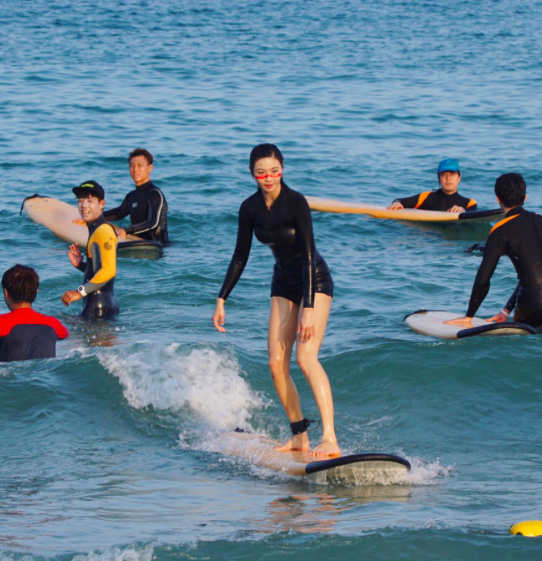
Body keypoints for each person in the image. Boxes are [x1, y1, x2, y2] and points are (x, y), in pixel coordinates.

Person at [212, 143, 340, 458]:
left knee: (305, 359)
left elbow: (309, 254)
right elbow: (240, 256)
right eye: (261, 173)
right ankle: (299, 434)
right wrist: (221, 298)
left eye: (273, 171)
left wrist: (308, 307)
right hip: (283, 281)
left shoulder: (296, 203)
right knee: (275, 364)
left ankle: (330, 439)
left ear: (281, 169)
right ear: (252, 174)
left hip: (315, 280)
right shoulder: (249, 208)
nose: (268, 178)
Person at [447, 173, 542, 328]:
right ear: (525, 198)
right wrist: (506, 311)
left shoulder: (500, 229)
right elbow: (534, 272)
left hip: (531, 308)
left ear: (498, 199)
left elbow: (483, 280)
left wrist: (469, 315)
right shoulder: (540, 219)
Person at [61, 181, 120, 319]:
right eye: (80, 200)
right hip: (102, 304)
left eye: (90, 200)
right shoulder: (96, 229)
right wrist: (80, 265)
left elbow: (109, 270)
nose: (84, 205)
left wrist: (80, 292)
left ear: (102, 204)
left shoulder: (103, 231)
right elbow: (99, 269)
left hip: (98, 308)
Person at [1, 264, 69, 362]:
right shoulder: (53, 324)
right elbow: (65, 335)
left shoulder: (2, 323)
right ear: (36, 291)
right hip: (46, 374)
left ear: (6, 293)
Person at [103, 148, 169, 244]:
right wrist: (96, 217)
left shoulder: (155, 194)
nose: (135, 169)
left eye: (140, 165)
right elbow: (118, 213)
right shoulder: (131, 196)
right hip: (138, 244)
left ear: (150, 168)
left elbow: (153, 223)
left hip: (157, 247)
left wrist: (127, 230)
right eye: (132, 166)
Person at [387, 158, 478, 212]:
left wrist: (462, 210)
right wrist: (397, 203)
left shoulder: (469, 203)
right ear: (438, 178)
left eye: (452, 174)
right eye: (444, 175)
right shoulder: (428, 198)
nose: (448, 178)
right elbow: (401, 201)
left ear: (459, 177)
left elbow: (473, 213)